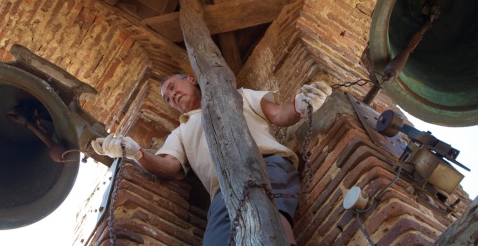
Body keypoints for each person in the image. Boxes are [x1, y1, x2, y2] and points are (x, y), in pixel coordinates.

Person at [91, 74, 332, 245]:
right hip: (222, 193)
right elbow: (167, 166)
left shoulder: (241, 97)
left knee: (271, 224)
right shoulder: (181, 132)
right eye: (167, 99)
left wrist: (301, 105)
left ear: (192, 79)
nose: (172, 96)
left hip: (267, 166)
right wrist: (135, 153)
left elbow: (280, 114)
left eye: (173, 87)